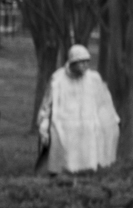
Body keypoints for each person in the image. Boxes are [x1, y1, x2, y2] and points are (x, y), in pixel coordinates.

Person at [38, 43, 120, 173]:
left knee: (88, 163)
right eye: (80, 62)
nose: (85, 65)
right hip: (63, 129)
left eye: (87, 61)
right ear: (72, 62)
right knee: (66, 163)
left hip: (87, 129)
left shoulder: (94, 79)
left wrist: (112, 120)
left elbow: (104, 102)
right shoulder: (58, 79)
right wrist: (44, 126)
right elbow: (47, 105)